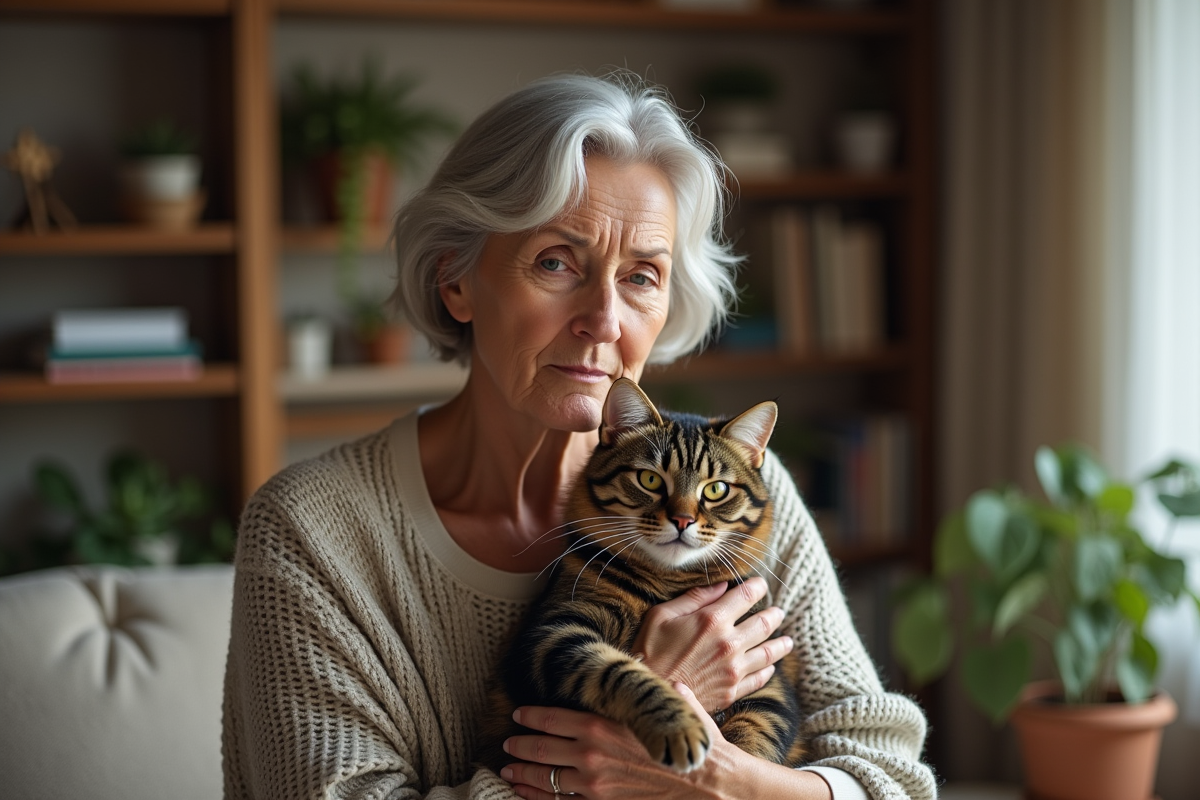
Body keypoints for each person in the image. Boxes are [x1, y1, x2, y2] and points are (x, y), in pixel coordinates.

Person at [222, 72, 936, 800]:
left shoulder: (744, 492)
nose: (604, 319)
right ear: (456, 282)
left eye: (642, 276)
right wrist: (639, 711)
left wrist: (734, 787)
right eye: (556, 262)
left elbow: (894, 778)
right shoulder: (313, 531)